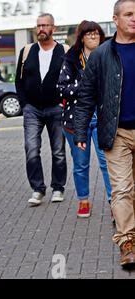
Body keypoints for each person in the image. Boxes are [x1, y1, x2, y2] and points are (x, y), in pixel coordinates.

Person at [74, 0, 135, 268]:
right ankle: (127, 243)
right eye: (129, 14)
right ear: (116, 19)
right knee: (121, 190)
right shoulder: (101, 55)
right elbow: (86, 96)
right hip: (116, 132)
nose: (134, 19)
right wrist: (80, 131)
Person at [57, 21, 112, 219]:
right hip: (76, 120)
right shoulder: (71, 59)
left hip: (103, 118)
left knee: (107, 163)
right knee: (81, 164)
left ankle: (115, 203)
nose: (93, 37)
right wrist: (86, 86)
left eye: (96, 34)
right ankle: (83, 200)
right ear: (81, 37)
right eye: (89, 34)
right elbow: (62, 88)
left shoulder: (108, 56)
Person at [15, 13, 68, 206]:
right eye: (38, 26)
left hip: (56, 108)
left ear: (53, 28)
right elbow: (18, 80)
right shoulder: (27, 51)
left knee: (58, 151)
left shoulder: (64, 51)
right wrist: (24, 104)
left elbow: (72, 78)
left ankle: (58, 188)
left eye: (45, 26)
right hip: (32, 110)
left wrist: (64, 102)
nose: (41, 29)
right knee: (31, 149)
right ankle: (38, 189)